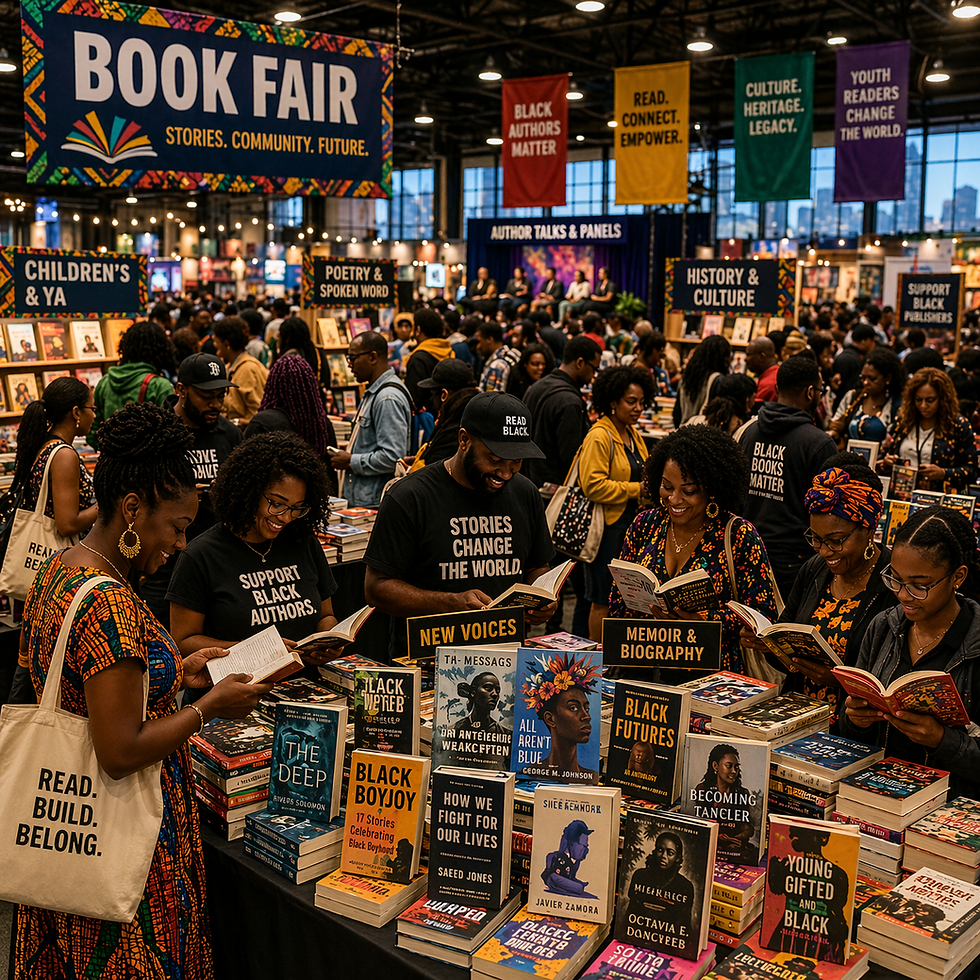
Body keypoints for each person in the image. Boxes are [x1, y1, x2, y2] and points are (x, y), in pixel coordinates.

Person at [16, 402, 272, 978]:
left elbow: (87, 689)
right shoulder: (111, 602)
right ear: (132, 508)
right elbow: (120, 750)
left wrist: (178, 675)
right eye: (177, 527)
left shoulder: (65, 571)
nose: (181, 545)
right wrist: (208, 708)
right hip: (122, 845)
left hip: (67, 830)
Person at [363, 391, 557, 658]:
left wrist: (541, 598)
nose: (506, 473)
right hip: (427, 662)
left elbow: (537, 566)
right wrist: (450, 602)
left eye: (517, 462)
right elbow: (376, 588)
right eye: (495, 460)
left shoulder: (525, 493)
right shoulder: (410, 497)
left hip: (506, 657)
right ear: (464, 439)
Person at [609, 425, 779, 677]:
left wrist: (704, 621)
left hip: (712, 678)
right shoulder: (645, 525)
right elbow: (616, 601)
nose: (674, 499)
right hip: (642, 669)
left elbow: (762, 614)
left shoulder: (738, 536)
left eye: (688, 491)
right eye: (667, 487)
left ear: (712, 490)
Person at [167, 433, 344, 673]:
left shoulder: (303, 542)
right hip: (234, 696)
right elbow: (183, 642)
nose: (285, 517)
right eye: (277, 503)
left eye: (296, 508)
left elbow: (326, 615)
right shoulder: (201, 556)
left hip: (306, 689)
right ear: (249, 491)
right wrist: (259, 651)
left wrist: (328, 638)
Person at [840, 506, 980, 798]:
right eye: (896, 579)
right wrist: (855, 719)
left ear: (958, 577)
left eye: (919, 585)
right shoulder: (883, 627)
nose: (903, 595)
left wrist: (942, 740)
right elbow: (852, 734)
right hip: (875, 796)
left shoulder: (974, 643)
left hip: (947, 809)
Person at [743, 459, 895, 723]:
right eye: (816, 538)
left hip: (853, 728)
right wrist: (768, 647)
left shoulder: (892, 584)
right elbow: (788, 661)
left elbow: (892, 683)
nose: (824, 551)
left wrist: (839, 681)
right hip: (798, 718)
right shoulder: (815, 570)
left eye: (836, 541)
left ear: (868, 528)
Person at [6, 378, 100, 704]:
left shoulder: (45, 447)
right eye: (91, 408)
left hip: (42, 573)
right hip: (56, 573)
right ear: (76, 412)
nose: (94, 415)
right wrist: (105, 506)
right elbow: (66, 523)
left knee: (33, 657)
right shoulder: (65, 455)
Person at [138, 353, 243, 630]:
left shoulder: (230, 435)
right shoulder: (156, 432)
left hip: (217, 567)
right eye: (206, 396)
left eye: (221, 396)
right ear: (181, 390)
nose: (216, 404)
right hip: (164, 569)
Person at [737, 355, 838, 599]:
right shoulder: (818, 444)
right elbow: (830, 511)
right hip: (797, 563)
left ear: (777, 388)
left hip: (746, 552)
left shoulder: (748, 433)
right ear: (811, 392)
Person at [579, 365, 655, 640]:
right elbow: (593, 486)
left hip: (629, 529)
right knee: (601, 599)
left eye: (641, 403)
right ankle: (599, 661)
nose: (638, 408)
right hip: (606, 531)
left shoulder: (632, 434)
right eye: (631, 402)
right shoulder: (600, 435)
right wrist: (638, 488)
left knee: (624, 599)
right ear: (612, 402)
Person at [328, 330, 412, 509]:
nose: (349, 365)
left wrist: (351, 460)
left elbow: (392, 457)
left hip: (374, 503)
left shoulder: (387, 398)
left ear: (373, 357)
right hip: (363, 499)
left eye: (352, 358)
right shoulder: (373, 392)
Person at [244, 354, 338, 490]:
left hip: (274, 504)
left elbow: (247, 476)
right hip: (315, 502)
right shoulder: (321, 423)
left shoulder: (262, 423)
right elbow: (330, 475)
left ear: (272, 383)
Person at [880, 366, 977, 493]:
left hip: (941, 500)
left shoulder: (958, 425)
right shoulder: (904, 421)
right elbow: (885, 455)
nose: (923, 405)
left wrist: (943, 473)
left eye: (930, 400)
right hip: (902, 496)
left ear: (943, 399)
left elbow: (972, 471)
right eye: (918, 399)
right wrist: (888, 462)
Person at [523, 335, 603, 489]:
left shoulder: (536, 387)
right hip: (553, 491)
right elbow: (571, 458)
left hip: (528, 485)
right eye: (594, 369)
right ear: (580, 362)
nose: (594, 376)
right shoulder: (570, 402)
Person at [764, 822, 850, 962]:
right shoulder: (788, 866)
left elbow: (837, 908)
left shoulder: (837, 874)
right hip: (790, 929)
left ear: (823, 839)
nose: (795, 838)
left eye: (804, 834)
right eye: (796, 834)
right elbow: (775, 889)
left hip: (819, 933)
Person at [88, 320, 176, 449]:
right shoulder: (159, 386)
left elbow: (92, 432)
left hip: (111, 463)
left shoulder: (104, 382)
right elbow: (171, 435)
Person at [522, 651, 601, 782]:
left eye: (586, 708)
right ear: (550, 719)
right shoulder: (530, 774)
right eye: (574, 708)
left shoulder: (591, 778)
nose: (586, 716)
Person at [689, 743, 757, 864]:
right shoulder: (702, 790)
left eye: (736, 767)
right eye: (729, 766)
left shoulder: (743, 793)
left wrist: (735, 839)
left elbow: (748, 828)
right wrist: (717, 837)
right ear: (715, 766)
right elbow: (697, 824)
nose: (734, 771)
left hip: (734, 848)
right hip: (708, 847)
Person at [623, 833, 695, 942]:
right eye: (660, 850)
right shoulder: (640, 876)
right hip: (637, 935)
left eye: (670, 853)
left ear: (677, 858)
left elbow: (684, 926)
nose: (664, 856)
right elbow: (630, 913)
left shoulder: (685, 886)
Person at [828, 346, 906, 449]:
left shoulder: (898, 404)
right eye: (862, 378)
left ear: (887, 378)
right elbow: (836, 424)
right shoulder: (853, 397)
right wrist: (835, 431)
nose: (865, 383)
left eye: (872, 379)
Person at [410, 359, 479, 470]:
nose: (432, 399)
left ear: (444, 395)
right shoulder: (473, 415)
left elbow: (434, 473)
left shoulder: (454, 429)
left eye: (433, 393)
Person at [212, 316, 268, 427]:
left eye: (216, 341)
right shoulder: (229, 366)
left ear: (227, 344)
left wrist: (237, 422)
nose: (214, 345)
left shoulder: (248, 369)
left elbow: (258, 415)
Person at [674, 334, 731, 426]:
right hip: (703, 433)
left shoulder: (686, 378)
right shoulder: (717, 380)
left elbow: (677, 414)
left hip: (683, 430)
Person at [404, 307, 455, 407]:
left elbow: (415, 398)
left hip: (426, 419)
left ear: (418, 330)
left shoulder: (418, 359)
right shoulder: (448, 350)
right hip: (447, 414)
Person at [540, 819, 597, 898]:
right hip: (553, 879)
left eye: (586, 846)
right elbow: (552, 875)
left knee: (579, 886)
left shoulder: (575, 862)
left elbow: (570, 877)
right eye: (583, 845)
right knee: (578, 888)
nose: (585, 850)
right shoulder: (555, 857)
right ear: (572, 843)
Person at [831, 322, 878, 411]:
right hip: (845, 408)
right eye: (873, 341)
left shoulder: (844, 354)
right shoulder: (854, 360)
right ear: (864, 341)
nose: (874, 345)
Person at [276, 316, 331, 390]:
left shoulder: (287, 361)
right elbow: (326, 381)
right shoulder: (318, 354)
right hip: (318, 399)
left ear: (287, 339)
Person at [477, 321, 522, 393]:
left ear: (489, 340)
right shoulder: (512, 353)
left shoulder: (497, 365)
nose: (478, 346)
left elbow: (491, 399)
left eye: (479, 341)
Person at [632, 331, 675, 397]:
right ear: (654, 350)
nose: (659, 361)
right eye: (659, 355)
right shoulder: (636, 374)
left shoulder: (655, 371)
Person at [745, 336, 779, 405]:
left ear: (762, 356)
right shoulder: (774, 373)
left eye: (748, 355)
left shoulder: (768, 384)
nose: (745, 359)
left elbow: (753, 409)